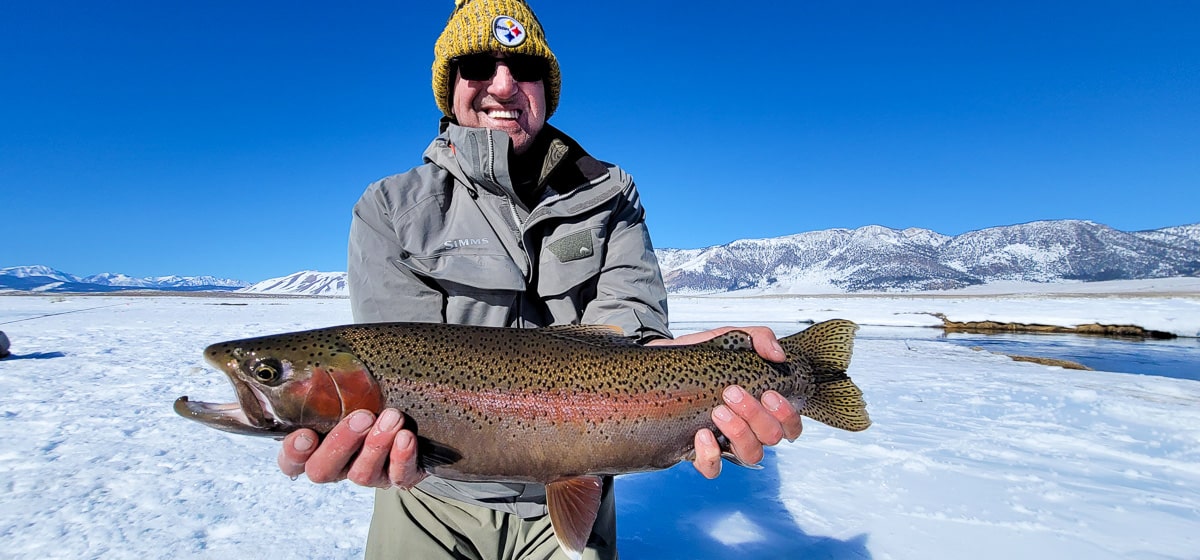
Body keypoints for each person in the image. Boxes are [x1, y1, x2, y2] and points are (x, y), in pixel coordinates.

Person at [277, 1, 803, 558]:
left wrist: (688, 363)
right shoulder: (391, 209)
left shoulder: (610, 196)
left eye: (524, 68)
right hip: (428, 495)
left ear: (546, 88)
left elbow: (632, 332)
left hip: (582, 484)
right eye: (478, 66)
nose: (503, 86)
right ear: (449, 86)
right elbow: (393, 362)